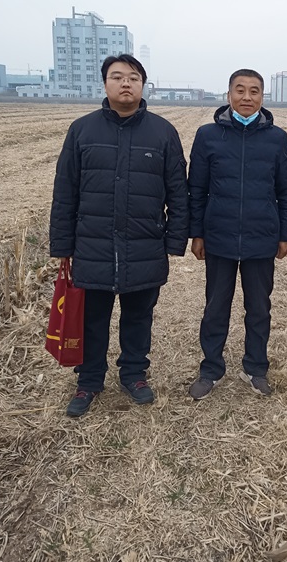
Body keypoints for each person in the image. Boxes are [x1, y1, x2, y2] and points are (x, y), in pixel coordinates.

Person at [50, 54, 189, 417]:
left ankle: (134, 374)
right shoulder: (82, 130)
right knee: (91, 318)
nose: (126, 83)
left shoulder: (163, 132)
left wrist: (175, 241)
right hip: (92, 245)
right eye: (117, 77)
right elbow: (65, 190)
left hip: (144, 245)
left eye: (133, 77)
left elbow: (178, 192)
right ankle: (89, 380)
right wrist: (62, 244)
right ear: (105, 83)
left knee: (139, 317)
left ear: (143, 85)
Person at [188, 69, 287, 399]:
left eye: (254, 91)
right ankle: (211, 369)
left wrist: (286, 233)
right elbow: (196, 190)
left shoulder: (276, 138)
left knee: (259, 308)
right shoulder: (208, 136)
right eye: (240, 90)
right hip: (219, 236)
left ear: (262, 97)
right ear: (229, 95)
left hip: (261, 237)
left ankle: (256, 368)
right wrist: (197, 233)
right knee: (215, 307)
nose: (247, 97)